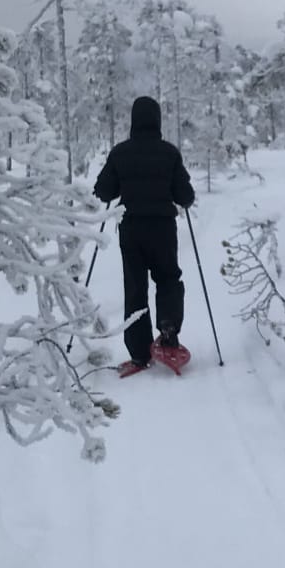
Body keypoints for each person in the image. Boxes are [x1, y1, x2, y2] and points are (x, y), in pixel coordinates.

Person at [93, 96, 196, 372]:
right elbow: (185, 195)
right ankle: (169, 330)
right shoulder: (169, 153)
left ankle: (139, 354)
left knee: (135, 287)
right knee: (168, 278)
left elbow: (103, 191)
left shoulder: (120, 153)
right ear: (158, 121)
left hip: (131, 229)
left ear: (134, 121)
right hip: (163, 229)